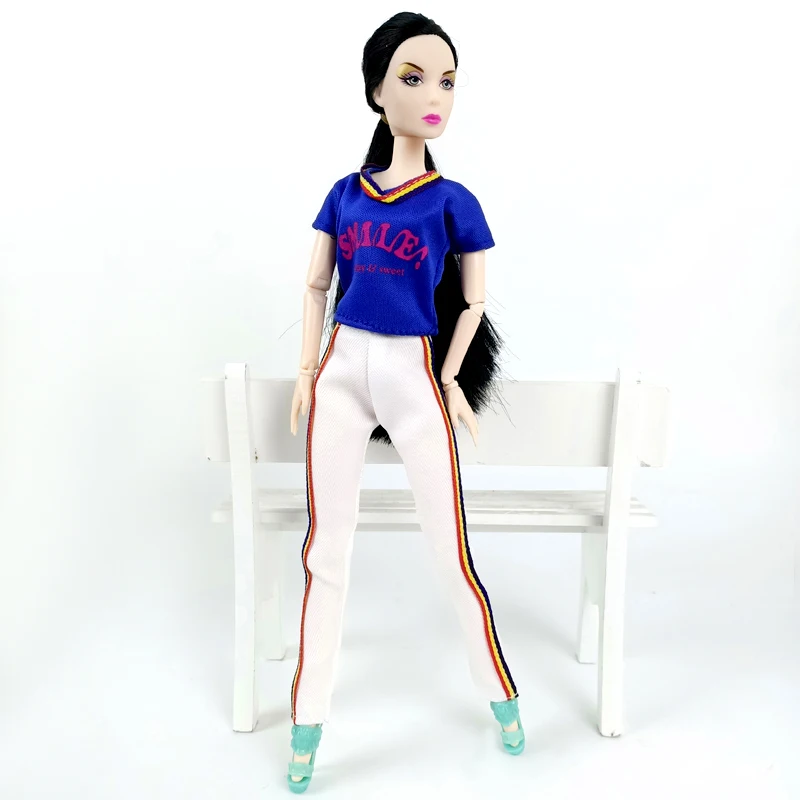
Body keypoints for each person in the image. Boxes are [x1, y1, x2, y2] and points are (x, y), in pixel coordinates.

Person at [286, 12, 525, 793]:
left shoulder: (451, 201)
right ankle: (306, 723)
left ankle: (500, 694)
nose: (434, 97)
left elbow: (472, 303)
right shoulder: (344, 194)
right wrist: (306, 370)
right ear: (376, 91)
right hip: (340, 372)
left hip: (415, 373)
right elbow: (316, 285)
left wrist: (452, 380)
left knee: (449, 550)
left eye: (447, 81)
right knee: (326, 553)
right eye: (414, 78)